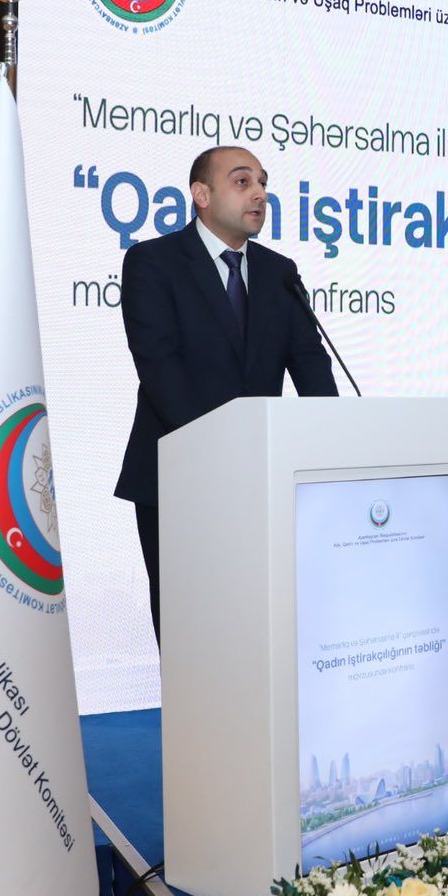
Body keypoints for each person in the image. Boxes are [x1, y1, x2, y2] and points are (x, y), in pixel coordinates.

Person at [114, 146, 337, 639]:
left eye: (263, 182)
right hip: (179, 479)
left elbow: (312, 367)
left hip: (263, 484)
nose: (259, 193)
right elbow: (160, 367)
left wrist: (333, 445)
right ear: (201, 195)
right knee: (190, 632)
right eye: (242, 181)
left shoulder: (279, 272)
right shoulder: (153, 262)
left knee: (257, 628)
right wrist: (229, 456)